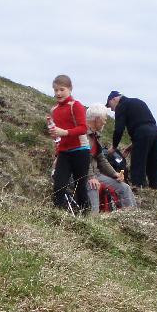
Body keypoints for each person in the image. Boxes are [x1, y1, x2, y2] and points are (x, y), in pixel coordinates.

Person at [48, 74, 90, 214]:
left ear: (70, 89)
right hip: (64, 153)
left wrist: (64, 132)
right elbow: (57, 137)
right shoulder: (54, 110)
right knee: (58, 186)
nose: (58, 93)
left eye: (62, 89)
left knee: (80, 187)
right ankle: (57, 217)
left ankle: (86, 218)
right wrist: (57, 154)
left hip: (81, 151)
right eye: (56, 90)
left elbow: (83, 128)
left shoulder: (76, 105)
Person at [85, 104, 136, 213]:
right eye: (104, 119)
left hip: (96, 174)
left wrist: (114, 174)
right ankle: (93, 219)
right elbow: (83, 158)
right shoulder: (82, 135)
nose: (105, 122)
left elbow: (101, 159)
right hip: (83, 175)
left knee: (125, 188)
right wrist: (90, 177)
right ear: (97, 119)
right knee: (93, 187)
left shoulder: (96, 135)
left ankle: (131, 215)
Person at [106, 90, 157, 189]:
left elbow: (119, 129)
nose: (112, 109)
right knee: (154, 164)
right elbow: (145, 125)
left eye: (110, 106)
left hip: (142, 134)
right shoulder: (138, 101)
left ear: (113, 99)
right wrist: (130, 147)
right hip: (156, 133)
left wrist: (114, 146)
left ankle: (138, 187)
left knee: (137, 164)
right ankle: (155, 188)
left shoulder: (121, 106)